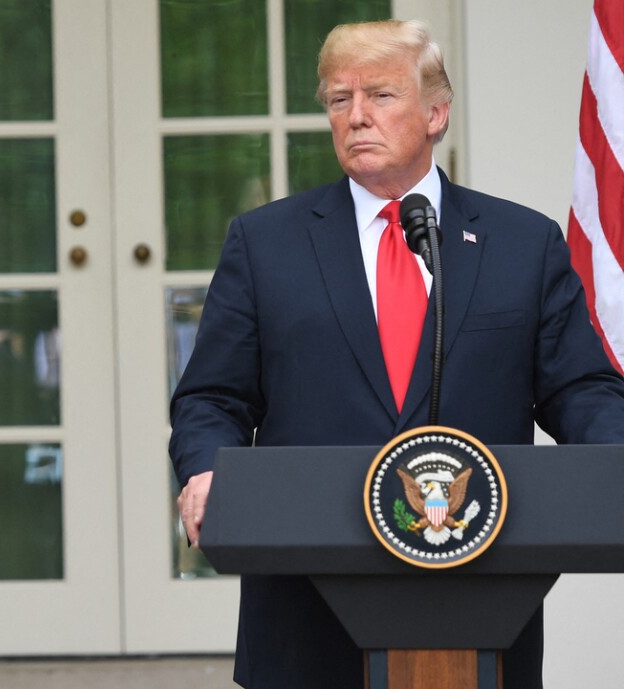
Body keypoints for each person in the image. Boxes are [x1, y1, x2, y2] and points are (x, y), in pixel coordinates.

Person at [169, 19, 624, 689]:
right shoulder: (265, 244)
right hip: (307, 614)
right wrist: (208, 471)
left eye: (380, 96)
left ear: (436, 112)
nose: (355, 117)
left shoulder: (522, 243)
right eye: (338, 99)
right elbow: (213, 396)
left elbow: (581, 390)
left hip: (478, 600)